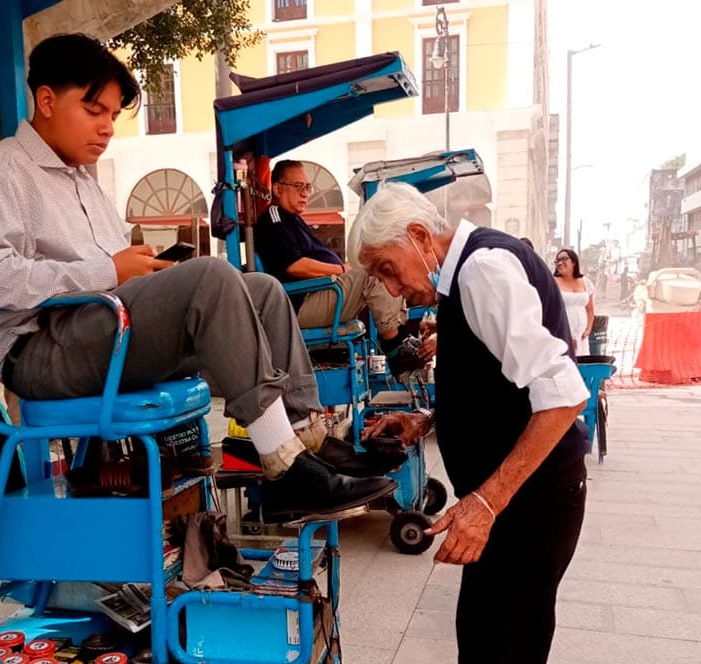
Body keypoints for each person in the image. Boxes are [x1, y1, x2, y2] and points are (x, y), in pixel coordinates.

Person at [0, 33, 397, 523]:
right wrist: (109, 269)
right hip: (40, 348)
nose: (106, 129)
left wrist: (147, 270)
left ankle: (306, 440)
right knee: (212, 277)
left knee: (262, 290)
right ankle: (283, 465)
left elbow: (116, 269)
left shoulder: (82, 180)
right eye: (94, 110)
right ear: (47, 100)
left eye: (113, 117)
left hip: (101, 328)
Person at [350, 182, 590, 664]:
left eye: (388, 270)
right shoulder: (465, 271)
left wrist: (484, 503)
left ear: (418, 235)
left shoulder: (482, 269)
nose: (392, 288)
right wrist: (431, 418)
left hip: (529, 501)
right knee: (482, 637)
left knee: (506, 643)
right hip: (511, 503)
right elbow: (502, 382)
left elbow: (563, 396)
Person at [254, 160, 425, 377]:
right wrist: (341, 270)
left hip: (320, 293)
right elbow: (295, 266)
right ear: (278, 189)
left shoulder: (293, 219)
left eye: (307, 187)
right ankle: (395, 348)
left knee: (374, 264)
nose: (305, 193)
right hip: (301, 303)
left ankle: (398, 337)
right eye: (298, 187)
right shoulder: (274, 218)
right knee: (371, 272)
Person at [553, 248, 595, 355]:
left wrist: (588, 330)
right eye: (557, 261)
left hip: (582, 338)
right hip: (562, 337)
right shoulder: (553, 282)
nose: (560, 263)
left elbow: (589, 309)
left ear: (574, 262)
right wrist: (565, 335)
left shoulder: (586, 282)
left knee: (582, 368)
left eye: (564, 259)